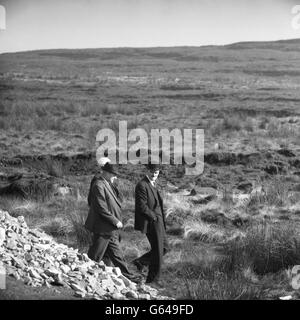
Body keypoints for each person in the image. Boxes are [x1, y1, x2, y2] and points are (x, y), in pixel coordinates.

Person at [85, 161, 138, 282]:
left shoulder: (107, 183)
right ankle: (83, 274)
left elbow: (117, 200)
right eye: (114, 174)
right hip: (104, 228)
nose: (116, 177)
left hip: (109, 229)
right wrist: (115, 221)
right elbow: (101, 207)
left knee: (115, 255)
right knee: (94, 256)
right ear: (107, 173)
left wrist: (114, 185)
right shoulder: (98, 185)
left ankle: (127, 277)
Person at [133, 163, 170, 286]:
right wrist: (153, 217)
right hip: (152, 222)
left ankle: (141, 261)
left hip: (159, 221)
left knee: (165, 248)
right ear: (147, 170)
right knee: (159, 250)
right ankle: (153, 280)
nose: (154, 174)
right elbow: (141, 206)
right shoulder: (142, 185)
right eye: (152, 171)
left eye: (157, 172)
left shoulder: (152, 184)